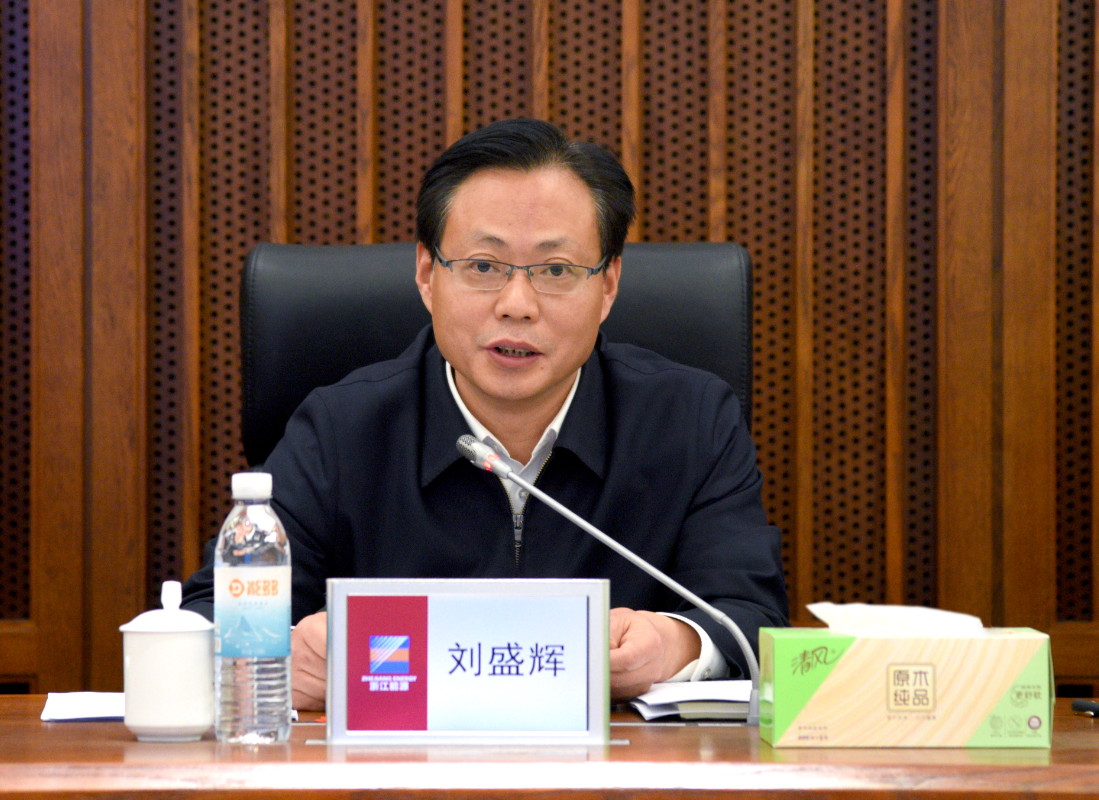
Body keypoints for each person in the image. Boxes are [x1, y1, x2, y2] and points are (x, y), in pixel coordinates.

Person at [182, 118, 788, 710]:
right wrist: (282, 656)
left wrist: (680, 645)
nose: (516, 305)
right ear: (427, 275)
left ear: (607, 286)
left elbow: (752, 618)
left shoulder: (691, 422)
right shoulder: (341, 429)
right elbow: (209, 618)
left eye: (556, 270)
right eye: (483, 266)